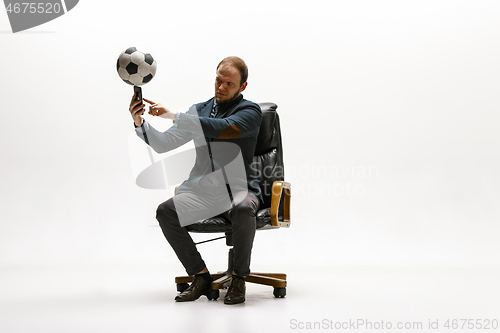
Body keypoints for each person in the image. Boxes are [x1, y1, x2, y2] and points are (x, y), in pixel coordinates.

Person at [128, 56, 263, 305]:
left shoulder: (250, 112)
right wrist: (140, 122)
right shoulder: (198, 111)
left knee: (244, 209)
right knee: (166, 211)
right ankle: (200, 276)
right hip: (204, 192)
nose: (221, 87)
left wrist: (175, 115)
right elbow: (163, 143)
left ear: (242, 86)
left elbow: (223, 128)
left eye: (229, 84)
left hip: (238, 190)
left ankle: (239, 278)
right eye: (218, 80)